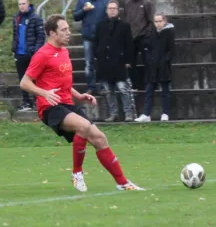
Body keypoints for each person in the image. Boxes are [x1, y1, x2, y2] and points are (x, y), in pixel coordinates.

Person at [19, 14, 144, 192]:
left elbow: (62, 83)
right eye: (64, 30)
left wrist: (79, 96)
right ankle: (77, 174)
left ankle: (122, 182)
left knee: (100, 138)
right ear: (52, 33)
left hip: (67, 104)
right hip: (50, 108)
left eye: (68, 29)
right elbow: (25, 82)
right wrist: (44, 93)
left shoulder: (64, 51)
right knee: (84, 126)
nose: (68, 33)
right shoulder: (42, 55)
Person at [94, 0, 135, 123]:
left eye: (114, 8)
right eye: (110, 8)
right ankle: (113, 114)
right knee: (109, 90)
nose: (112, 10)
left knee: (123, 88)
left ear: (118, 10)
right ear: (106, 10)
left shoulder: (124, 26)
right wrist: (97, 55)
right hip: (104, 63)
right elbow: (96, 42)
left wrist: (128, 60)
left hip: (119, 62)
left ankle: (128, 113)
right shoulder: (100, 25)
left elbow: (129, 45)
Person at [72, 0, 110, 95]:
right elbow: (75, 16)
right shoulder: (82, 0)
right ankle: (91, 87)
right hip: (88, 36)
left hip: (102, 36)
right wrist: (84, 10)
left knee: (103, 62)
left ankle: (104, 86)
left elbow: (110, 17)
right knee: (89, 63)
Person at [135, 12, 175, 123]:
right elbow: (147, 48)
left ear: (164, 21)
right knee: (149, 91)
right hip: (152, 67)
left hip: (163, 67)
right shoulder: (151, 34)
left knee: (165, 91)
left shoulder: (169, 33)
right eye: (156, 21)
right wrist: (150, 61)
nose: (158, 24)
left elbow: (171, 50)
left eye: (160, 21)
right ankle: (146, 114)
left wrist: (164, 61)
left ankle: (165, 113)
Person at [12, 0, 45, 111]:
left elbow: (41, 37)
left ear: (28, 4)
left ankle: (38, 101)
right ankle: (26, 102)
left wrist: (35, 52)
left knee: (35, 79)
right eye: (20, 4)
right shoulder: (16, 18)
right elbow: (15, 35)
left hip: (31, 54)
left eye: (23, 4)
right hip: (19, 54)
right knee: (22, 79)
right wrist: (14, 49)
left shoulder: (36, 18)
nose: (21, 6)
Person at [124, 0, 155, 90]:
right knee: (131, 64)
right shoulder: (127, 3)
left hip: (143, 37)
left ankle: (150, 84)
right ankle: (134, 85)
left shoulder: (147, 2)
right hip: (131, 38)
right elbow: (126, 20)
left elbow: (151, 20)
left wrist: (146, 34)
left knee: (148, 62)